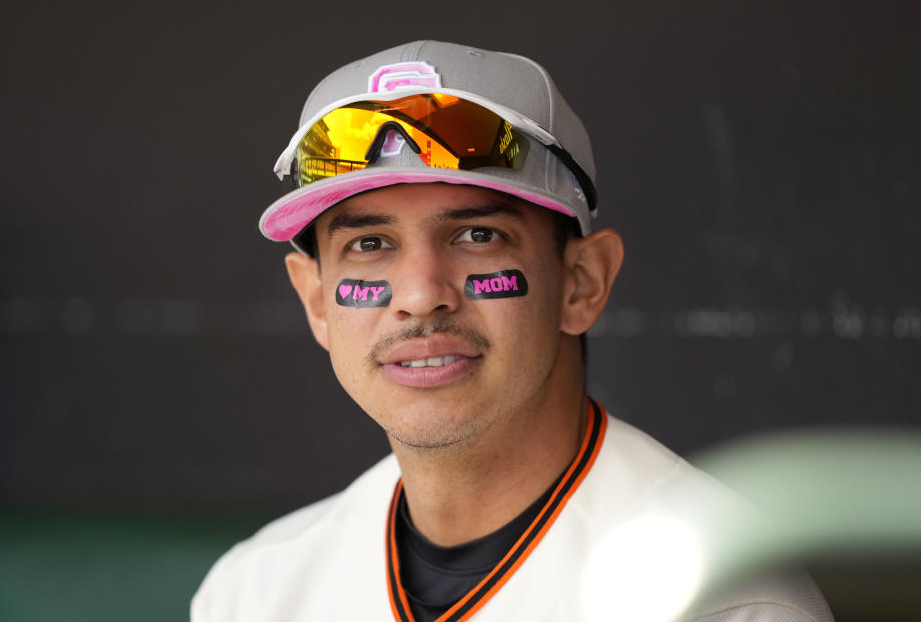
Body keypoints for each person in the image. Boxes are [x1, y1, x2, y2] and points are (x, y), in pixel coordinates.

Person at [191, 41, 833, 622]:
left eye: (478, 235)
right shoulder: (256, 591)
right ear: (318, 302)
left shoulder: (723, 599)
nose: (420, 296)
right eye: (369, 243)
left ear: (582, 282)